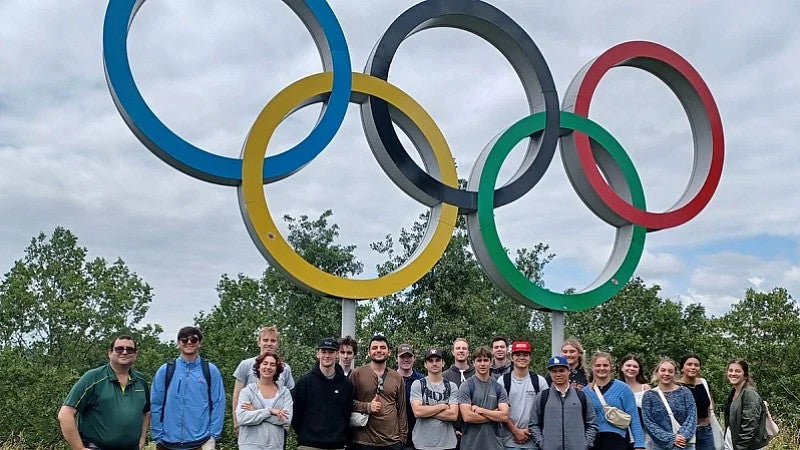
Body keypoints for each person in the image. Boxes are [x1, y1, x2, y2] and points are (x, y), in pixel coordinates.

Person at [58, 335, 150, 450]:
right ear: (110, 353)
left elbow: (146, 412)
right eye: (119, 349)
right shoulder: (92, 378)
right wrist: (79, 448)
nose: (125, 352)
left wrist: (142, 439)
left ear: (135, 355)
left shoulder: (140, 380)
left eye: (129, 349)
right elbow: (65, 414)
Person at [151, 326, 225, 450]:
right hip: (167, 442)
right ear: (178, 343)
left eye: (193, 340)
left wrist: (213, 436)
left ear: (199, 343)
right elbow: (156, 403)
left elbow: (218, 403)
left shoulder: (210, 370)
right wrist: (157, 436)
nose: (189, 342)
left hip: (201, 441)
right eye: (184, 340)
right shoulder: (166, 370)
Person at [293, 337, 354, 450]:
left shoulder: (347, 385)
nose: (327, 355)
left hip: (337, 445)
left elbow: (346, 415)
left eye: (330, 352)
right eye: (323, 352)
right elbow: (296, 416)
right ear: (317, 354)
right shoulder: (304, 382)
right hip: (309, 445)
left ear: (337, 354)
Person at [233, 326, 296, 433]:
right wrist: (236, 424)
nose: (269, 343)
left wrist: (286, 425)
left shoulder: (285, 368)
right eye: (265, 340)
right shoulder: (245, 365)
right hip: (250, 428)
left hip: (277, 429)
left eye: (273, 341)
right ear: (259, 342)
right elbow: (236, 395)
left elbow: (289, 397)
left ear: (277, 344)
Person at [350, 334, 407, 450]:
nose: (379, 350)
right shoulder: (357, 374)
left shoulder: (397, 377)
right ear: (369, 352)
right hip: (364, 441)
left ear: (389, 352)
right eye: (375, 348)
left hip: (392, 442)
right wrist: (367, 407)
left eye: (382, 347)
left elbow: (401, 409)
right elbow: (347, 403)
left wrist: (402, 438)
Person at [530, 355, 598, 450]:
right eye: (554, 371)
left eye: (561, 370)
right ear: (550, 373)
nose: (558, 374)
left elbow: (592, 423)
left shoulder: (581, 396)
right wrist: (542, 444)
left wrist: (584, 444)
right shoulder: (542, 396)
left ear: (568, 371)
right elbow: (533, 424)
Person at [583, 352, 646, 450]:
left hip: (618, 440)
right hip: (593, 441)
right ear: (592, 367)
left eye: (605, 365)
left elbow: (634, 417)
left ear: (610, 367)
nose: (602, 368)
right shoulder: (586, 391)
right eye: (598, 365)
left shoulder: (623, 388)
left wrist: (640, 444)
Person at [237, 351, 293, 449]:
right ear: (258, 367)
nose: (268, 367)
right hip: (250, 445)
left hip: (275, 445)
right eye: (265, 363)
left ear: (276, 369)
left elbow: (286, 420)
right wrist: (270, 411)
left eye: (272, 365)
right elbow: (242, 418)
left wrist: (256, 412)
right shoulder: (247, 392)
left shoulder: (285, 393)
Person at [498, 340, 548, 450]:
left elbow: (546, 412)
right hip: (508, 443)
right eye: (517, 354)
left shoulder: (540, 381)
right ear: (511, 357)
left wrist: (529, 432)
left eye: (525, 354)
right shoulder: (503, 381)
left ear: (530, 357)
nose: (521, 358)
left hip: (534, 443)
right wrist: (516, 431)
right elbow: (499, 412)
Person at [458, 346, 509, 450]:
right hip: (471, 445)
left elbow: (504, 416)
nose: (482, 364)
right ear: (473, 363)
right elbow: (467, 417)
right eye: (479, 360)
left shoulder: (498, 388)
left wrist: (480, 410)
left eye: (486, 360)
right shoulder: (466, 386)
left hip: (494, 445)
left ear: (491, 362)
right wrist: (494, 415)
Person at [641, 357, 697, 450]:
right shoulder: (649, 395)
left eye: (670, 371)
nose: (666, 374)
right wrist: (671, 438)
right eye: (663, 370)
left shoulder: (685, 392)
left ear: (675, 374)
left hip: (685, 444)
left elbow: (692, 417)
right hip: (658, 445)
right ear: (657, 372)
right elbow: (648, 422)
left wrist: (681, 437)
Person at [409, 348, 459, 450]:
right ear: (425, 364)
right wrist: (442, 406)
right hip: (422, 444)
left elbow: (453, 415)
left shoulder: (451, 386)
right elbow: (418, 412)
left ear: (443, 363)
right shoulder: (418, 384)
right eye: (430, 361)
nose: (434, 364)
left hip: (447, 443)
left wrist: (426, 410)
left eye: (437, 360)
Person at [723, 359, 769, 450]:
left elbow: (750, 424)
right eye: (731, 370)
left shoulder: (749, 393)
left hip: (748, 445)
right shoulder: (734, 392)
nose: (733, 373)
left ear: (745, 375)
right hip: (732, 441)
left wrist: (741, 447)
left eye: (738, 371)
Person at [676, 354, 715, 450]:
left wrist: (708, 421)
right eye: (689, 364)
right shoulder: (676, 386)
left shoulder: (704, 383)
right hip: (685, 432)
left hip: (705, 431)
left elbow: (710, 404)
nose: (693, 367)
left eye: (696, 365)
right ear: (682, 368)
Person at [443, 338, 474, 450]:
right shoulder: (444, 376)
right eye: (458, 348)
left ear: (468, 353)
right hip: (450, 432)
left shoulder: (477, 374)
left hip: (474, 431)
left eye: (464, 348)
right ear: (453, 352)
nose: (461, 351)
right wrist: (451, 430)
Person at [619, 354, 652, 449]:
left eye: (635, 366)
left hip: (643, 432)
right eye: (628, 365)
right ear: (622, 367)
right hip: (622, 432)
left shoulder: (645, 387)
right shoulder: (616, 387)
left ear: (639, 370)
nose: (631, 368)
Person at [397, 343, 425, 450]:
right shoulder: (389, 379)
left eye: (409, 356)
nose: (406, 360)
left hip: (418, 435)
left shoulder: (422, 380)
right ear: (396, 359)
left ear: (414, 359)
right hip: (394, 437)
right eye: (402, 357)